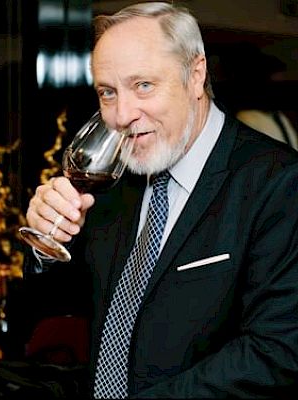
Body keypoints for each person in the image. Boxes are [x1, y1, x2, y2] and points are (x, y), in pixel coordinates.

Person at [22, 2, 298, 398]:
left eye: (143, 86)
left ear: (195, 74)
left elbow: (277, 353)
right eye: (107, 92)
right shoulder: (112, 183)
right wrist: (49, 244)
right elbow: (54, 311)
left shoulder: (279, 183)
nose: (122, 114)